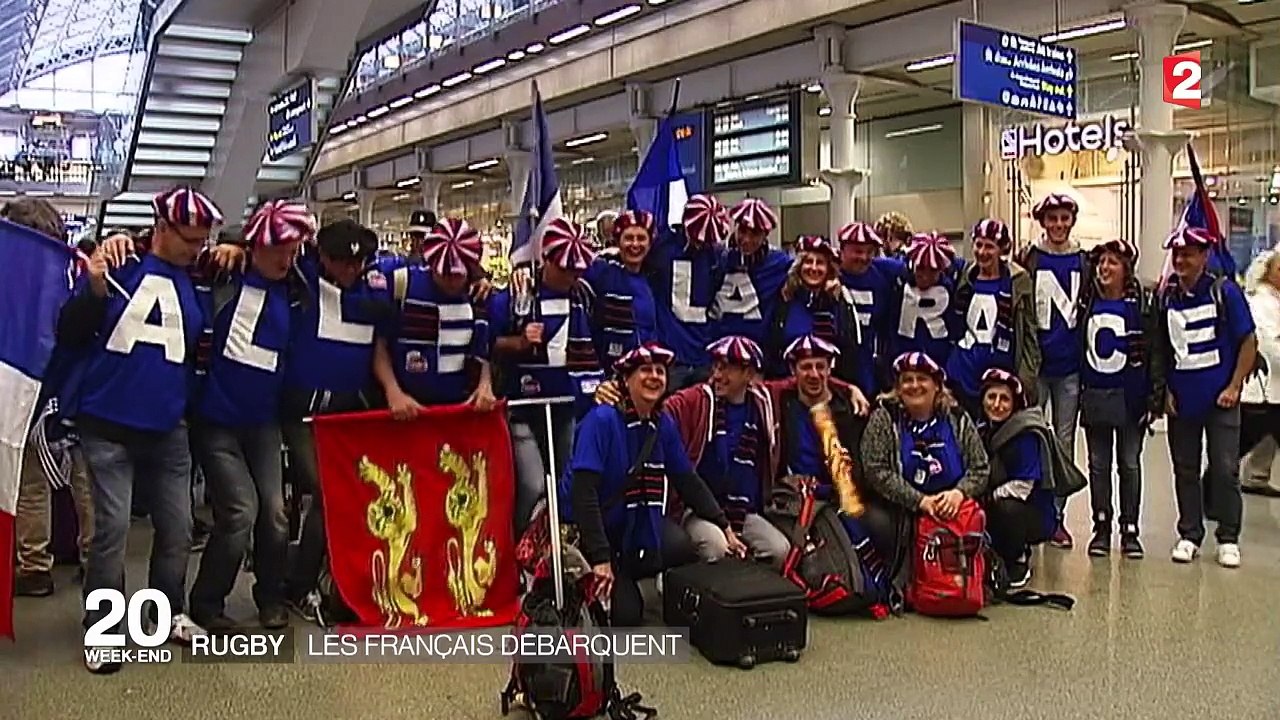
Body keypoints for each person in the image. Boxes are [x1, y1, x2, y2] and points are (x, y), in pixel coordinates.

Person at [57, 186, 220, 673]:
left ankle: (163, 614)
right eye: (189, 240)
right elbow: (70, 331)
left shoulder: (201, 276)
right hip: (106, 423)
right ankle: (103, 630)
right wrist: (95, 287)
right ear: (162, 230)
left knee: (178, 528)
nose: (197, 250)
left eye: (203, 242)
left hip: (168, 425)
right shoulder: (120, 263)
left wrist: (232, 249)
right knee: (111, 531)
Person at [187, 200, 314, 631]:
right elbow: (176, 257)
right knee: (240, 510)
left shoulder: (297, 286)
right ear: (256, 244)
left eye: (293, 249)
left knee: (276, 513)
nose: (286, 258)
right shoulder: (224, 274)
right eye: (279, 248)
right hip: (216, 419)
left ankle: (270, 595)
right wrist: (230, 247)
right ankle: (207, 602)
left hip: (263, 421)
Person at [561, 343, 745, 626]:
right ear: (625, 379)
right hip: (588, 529)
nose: (655, 376)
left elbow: (686, 479)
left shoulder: (661, 423)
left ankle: (628, 570)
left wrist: (723, 525)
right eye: (645, 370)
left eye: (660, 371)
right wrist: (600, 558)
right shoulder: (602, 420)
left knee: (682, 545)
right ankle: (586, 576)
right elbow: (583, 495)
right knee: (626, 616)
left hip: (630, 525)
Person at [279, 219, 384, 622]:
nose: (351, 270)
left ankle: (344, 578)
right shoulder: (300, 280)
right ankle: (300, 584)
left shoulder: (374, 289)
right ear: (323, 257)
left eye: (358, 262)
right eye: (343, 262)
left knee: (354, 495)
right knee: (326, 494)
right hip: (302, 417)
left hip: (348, 416)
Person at [1153, 226, 1257, 568]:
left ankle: (1228, 536)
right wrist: (1164, 390)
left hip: (1221, 401)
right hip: (1182, 401)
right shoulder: (1167, 297)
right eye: (1177, 254)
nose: (1182, 260)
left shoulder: (1225, 292)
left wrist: (1235, 386)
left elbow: (1248, 341)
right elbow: (1162, 349)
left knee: (1225, 469)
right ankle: (1189, 533)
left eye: (1189, 253)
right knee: (1184, 468)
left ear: (1204, 256)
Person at [491, 217, 602, 534]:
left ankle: (559, 545)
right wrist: (520, 343)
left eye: (576, 269)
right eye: (564, 268)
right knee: (533, 482)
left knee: (567, 481)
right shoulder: (518, 291)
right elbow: (487, 342)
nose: (571, 275)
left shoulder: (584, 295)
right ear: (547, 259)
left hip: (566, 404)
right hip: (522, 406)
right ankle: (522, 543)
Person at [6, 198, 94, 598]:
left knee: (30, 478)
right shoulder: (74, 272)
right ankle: (95, 559)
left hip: (32, 385)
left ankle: (34, 564)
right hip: (75, 386)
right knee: (84, 476)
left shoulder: (12, 275)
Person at [666, 337, 789, 566]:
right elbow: (663, 406)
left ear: (749, 374)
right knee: (717, 546)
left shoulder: (762, 402)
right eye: (716, 366)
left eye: (728, 368)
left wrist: (849, 388)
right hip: (698, 509)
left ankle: (751, 597)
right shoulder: (698, 399)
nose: (718, 375)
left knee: (779, 550)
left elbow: (803, 380)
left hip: (742, 511)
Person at [859, 352, 990, 563]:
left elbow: (980, 468)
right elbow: (875, 470)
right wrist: (920, 501)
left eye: (922, 379)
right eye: (907, 380)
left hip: (952, 505)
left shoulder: (957, 418)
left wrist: (959, 493)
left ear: (937, 385)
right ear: (898, 388)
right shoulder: (884, 418)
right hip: (900, 506)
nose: (914, 385)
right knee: (875, 521)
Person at [1077, 239, 1163, 558]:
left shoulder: (1140, 304)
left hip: (1131, 397)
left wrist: (1155, 397)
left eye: (1113, 262)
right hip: (1097, 395)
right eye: (1102, 263)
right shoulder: (1088, 303)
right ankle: (1101, 527)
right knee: (1098, 465)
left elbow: (1155, 352)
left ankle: (1130, 529)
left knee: (1128, 464)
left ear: (1126, 269)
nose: (1105, 268)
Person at [375, 217, 497, 419]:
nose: (451, 281)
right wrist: (393, 391)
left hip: (459, 413)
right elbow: (379, 343)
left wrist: (485, 384)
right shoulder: (401, 284)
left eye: (457, 274)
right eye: (444, 273)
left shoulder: (478, 296)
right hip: (405, 414)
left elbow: (482, 349)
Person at [1020, 193, 1088, 549]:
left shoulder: (1084, 260)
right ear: (1043, 221)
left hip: (1070, 369)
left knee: (1063, 444)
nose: (1058, 225)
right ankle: (1033, 514)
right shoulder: (1029, 258)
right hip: (1036, 367)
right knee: (1032, 438)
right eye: (1052, 219)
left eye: (1064, 218)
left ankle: (1056, 518)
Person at [976, 369, 1080, 587]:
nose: (996, 404)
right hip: (1000, 498)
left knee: (1006, 509)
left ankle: (1018, 559)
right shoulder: (982, 428)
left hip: (1033, 513)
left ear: (1015, 403)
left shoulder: (1025, 434)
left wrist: (986, 497)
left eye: (1004, 399)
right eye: (991, 397)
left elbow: (1023, 487)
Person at [948, 219, 1039, 418]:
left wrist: (1027, 377)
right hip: (964, 372)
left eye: (989, 246)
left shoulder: (1018, 281)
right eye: (978, 245)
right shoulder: (966, 277)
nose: (982, 252)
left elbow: (1029, 331)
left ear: (1002, 249)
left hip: (1001, 376)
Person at [649, 194, 728, 390]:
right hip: (671, 354)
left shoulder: (717, 256)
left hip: (703, 354)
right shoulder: (661, 246)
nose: (700, 244)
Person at [766, 235, 860, 382]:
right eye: (808, 262)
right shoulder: (784, 298)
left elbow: (850, 350)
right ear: (799, 266)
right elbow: (772, 345)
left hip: (829, 385)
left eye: (820, 263)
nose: (814, 268)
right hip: (788, 384)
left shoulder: (840, 301)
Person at [581, 209, 660, 367]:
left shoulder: (655, 277)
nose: (635, 244)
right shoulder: (602, 270)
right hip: (611, 367)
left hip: (646, 366)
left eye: (641, 238)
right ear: (618, 241)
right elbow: (570, 272)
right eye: (629, 238)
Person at [837, 221, 904, 398]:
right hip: (835, 367)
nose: (864, 257)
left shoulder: (883, 272)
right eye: (858, 251)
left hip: (868, 367)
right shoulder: (829, 273)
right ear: (842, 250)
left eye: (869, 252)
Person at [712, 198, 791, 347]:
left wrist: (831, 280)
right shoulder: (720, 259)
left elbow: (806, 271)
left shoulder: (779, 263)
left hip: (757, 353)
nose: (747, 239)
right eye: (742, 230)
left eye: (755, 233)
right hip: (720, 349)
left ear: (765, 234)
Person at [1239, 249, 1280, 496]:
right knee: (1243, 441)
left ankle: (1255, 476)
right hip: (1262, 388)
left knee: (1261, 438)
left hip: (1274, 389)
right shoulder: (1261, 303)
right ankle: (1209, 490)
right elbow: (1268, 345)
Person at [886, 232, 960, 369]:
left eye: (932, 270)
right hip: (902, 358)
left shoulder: (951, 287)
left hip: (939, 359)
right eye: (920, 269)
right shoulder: (899, 284)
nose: (925, 276)